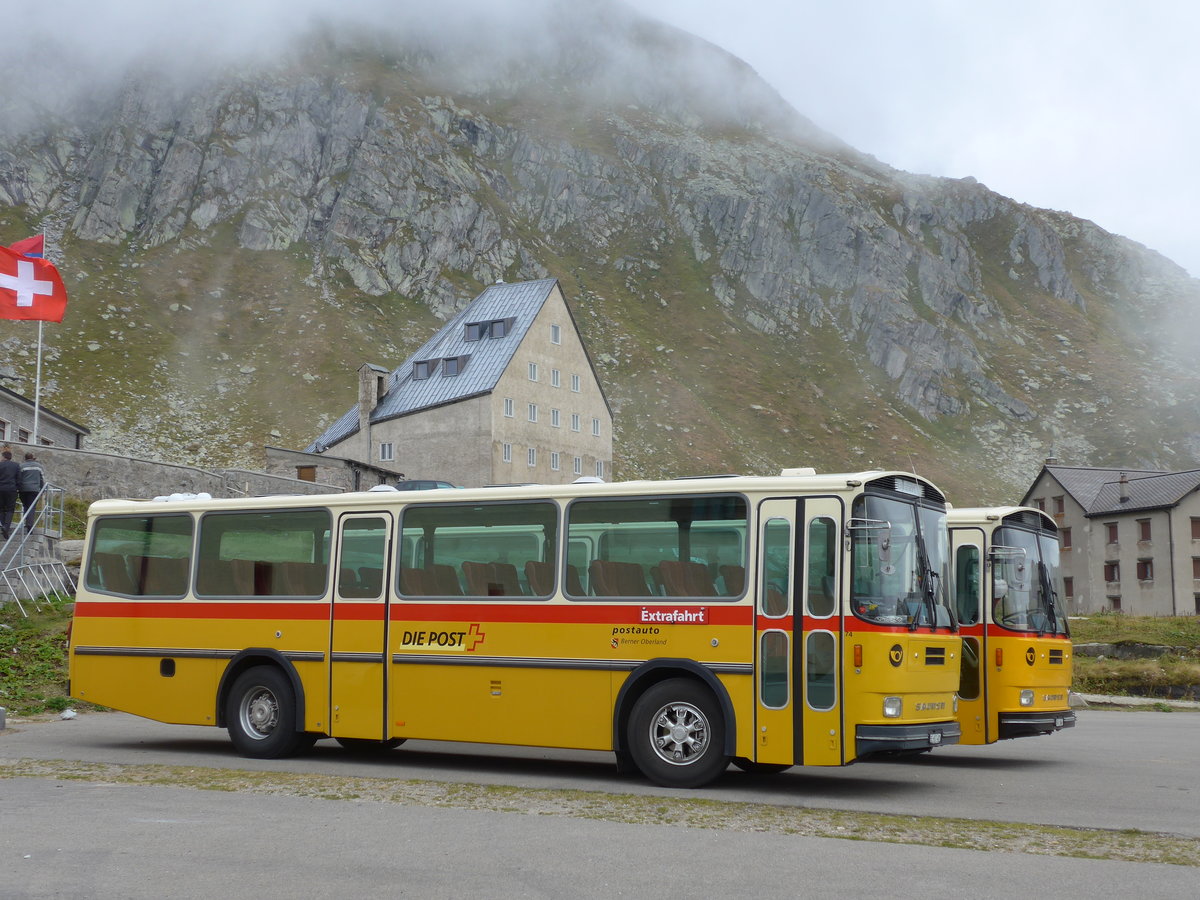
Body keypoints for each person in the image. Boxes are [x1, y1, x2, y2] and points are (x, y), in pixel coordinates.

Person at [18, 452, 46, 534]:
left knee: (25, 505)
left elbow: (18, 478)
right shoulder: (39, 466)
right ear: (33, 457)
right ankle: (30, 525)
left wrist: (18, 488)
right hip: (34, 489)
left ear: (25, 458)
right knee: (32, 507)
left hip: (23, 489)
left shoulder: (21, 466)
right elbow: (42, 479)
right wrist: (42, 489)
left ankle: (27, 522)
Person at [0, 450, 20, 540]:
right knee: (10, 509)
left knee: (1, 508)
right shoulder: (16, 465)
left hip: (0, 489)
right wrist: (17, 488)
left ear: (4, 457)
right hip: (12, 490)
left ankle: (4, 525)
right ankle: (6, 527)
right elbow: (19, 478)